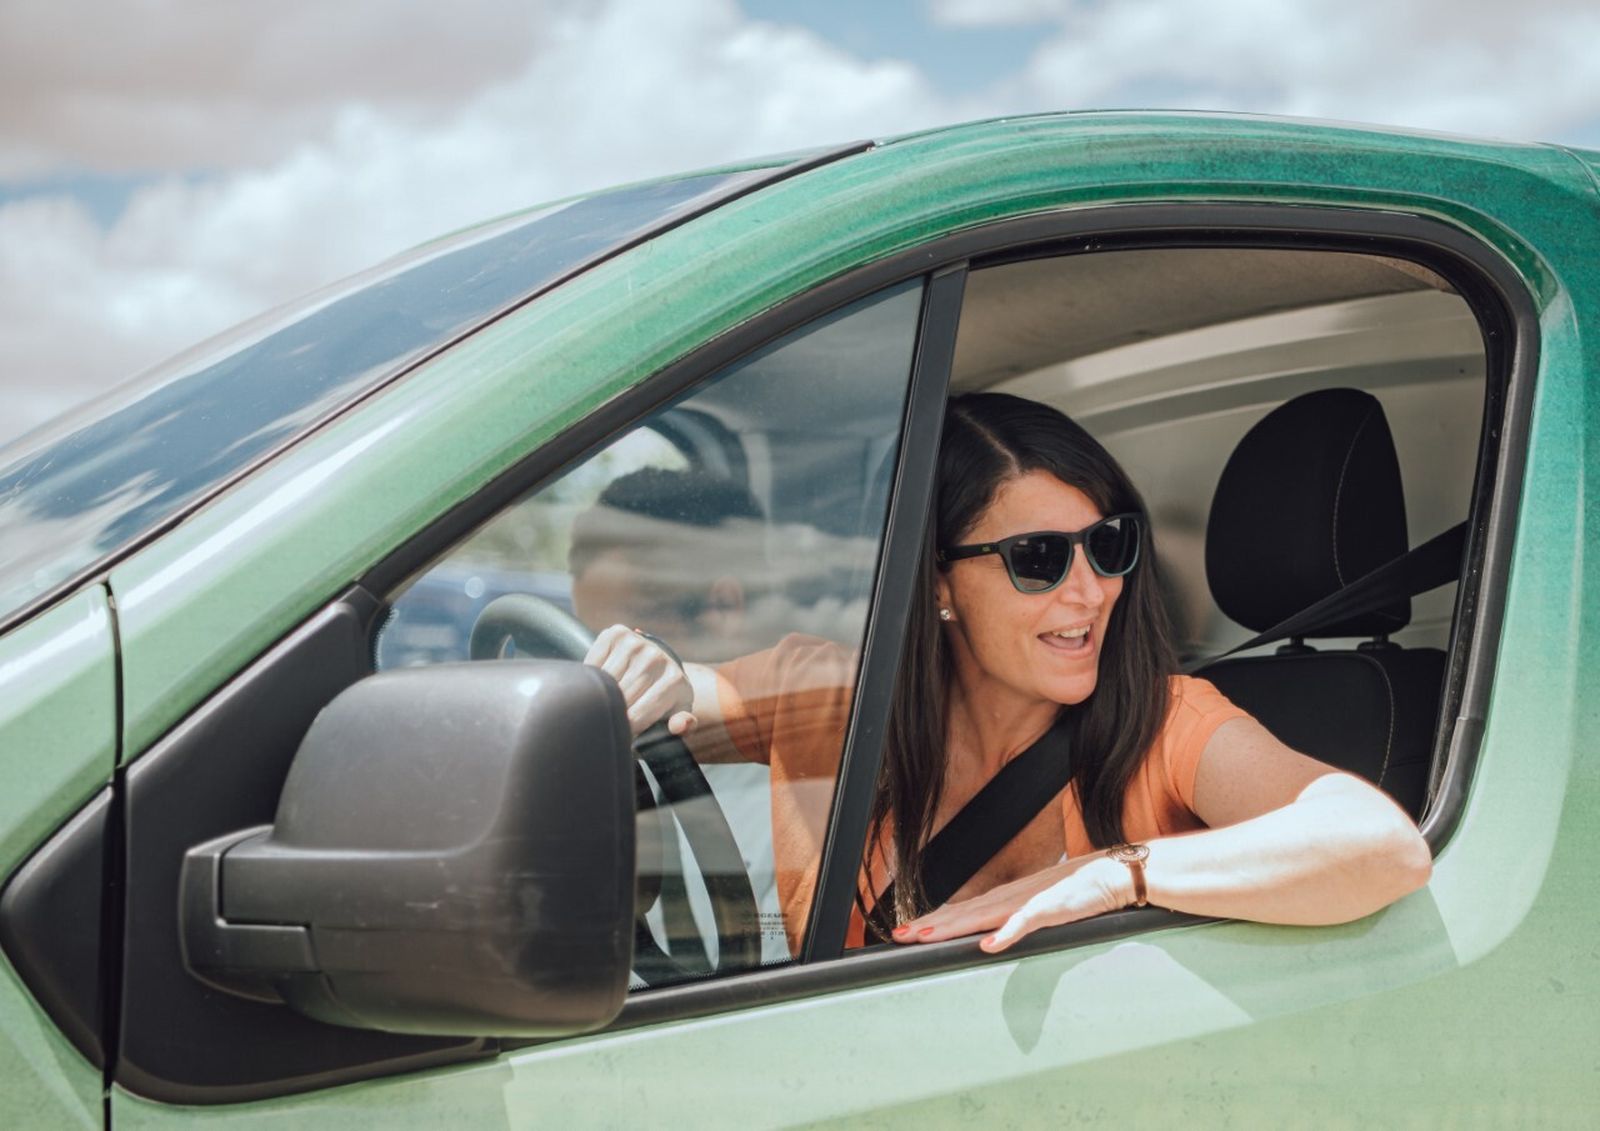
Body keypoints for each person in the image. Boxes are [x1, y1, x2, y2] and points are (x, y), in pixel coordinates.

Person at [584, 393, 1433, 956]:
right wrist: (640, 669)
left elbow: (1380, 846)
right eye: (1038, 557)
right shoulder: (828, 697)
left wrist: (1114, 874)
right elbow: (671, 702)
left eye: (1107, 546)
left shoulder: (1161, 723)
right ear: (941, 583)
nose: (1091, 588)